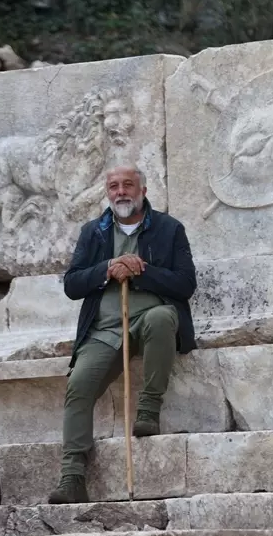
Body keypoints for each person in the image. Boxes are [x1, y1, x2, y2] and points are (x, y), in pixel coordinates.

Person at [49, 165, 197, 504]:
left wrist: (141, 271)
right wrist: (106, 269)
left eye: (128, 185)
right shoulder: (94, 232)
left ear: (143, 190)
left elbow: (185, 284)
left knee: (162, 317)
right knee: (78, 387)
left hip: (147, 319)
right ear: (107, 192)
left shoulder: (169, 229)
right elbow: (72, 285)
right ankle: (72, 475)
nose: (121, 192)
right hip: (104, 329)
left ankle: (148, 409)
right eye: (114, 186)